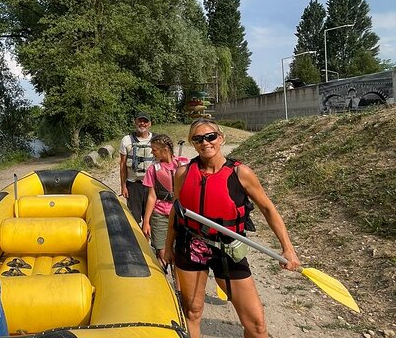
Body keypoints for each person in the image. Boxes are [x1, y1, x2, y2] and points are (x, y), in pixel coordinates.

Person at [164, 118, 301, 338]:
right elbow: (175, 211)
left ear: (221, 138)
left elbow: (268, 209)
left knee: (257, 326)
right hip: (191, 245)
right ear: (192, 142)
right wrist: (168, 245)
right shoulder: (182, 173)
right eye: (198, 139)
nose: (205, 143)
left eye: (211, 137)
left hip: (227, 248)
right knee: (193, 311)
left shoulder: (240, 173)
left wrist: (288, 248)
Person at [141, 134, 181, 262]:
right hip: (160, 214)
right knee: (162, 252)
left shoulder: (183, 165)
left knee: (179, 252)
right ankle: (163, 275)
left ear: (165, 150)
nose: (152, 153)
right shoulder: (153, 169)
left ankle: (178, 280)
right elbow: (152, 196)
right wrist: (146, 222)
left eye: (154, 150)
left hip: (179, 214)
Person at [119, 112, 154, 224]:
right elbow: (122, 165)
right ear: (135, 122)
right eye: (140, 121)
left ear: (150, 124)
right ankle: (136, 241)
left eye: (145, 121)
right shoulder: (126, 140)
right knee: (134, 219)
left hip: (151, 186)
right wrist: (123, 186)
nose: (142, 123)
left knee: (149, 220)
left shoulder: (156, 140)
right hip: (133, 185)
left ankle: (146, 240)